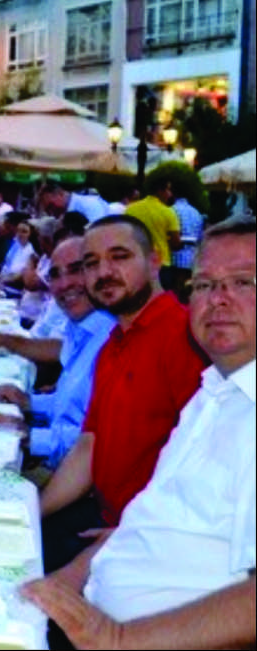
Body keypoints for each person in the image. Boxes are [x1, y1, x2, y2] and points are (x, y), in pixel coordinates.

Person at [21, 215, 256, 650]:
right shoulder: (213, 391)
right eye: (204, 285)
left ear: (155, 263)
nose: (218, 300)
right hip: (106, 570)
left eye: (243, 282)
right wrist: (56, 562)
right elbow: (107, 465)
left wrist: (114, 637)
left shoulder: (184, 348)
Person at [38, 214, 207, 573]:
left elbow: (204, 468)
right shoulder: (114, 343)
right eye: (91, 263)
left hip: (148, 541)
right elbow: (89, 446)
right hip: (102, 516)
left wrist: (135, 536)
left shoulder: (184, 338)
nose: (104, 272)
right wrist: (32, 511)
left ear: (154, 261)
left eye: (119, 256)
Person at [0, 237, 116, 471]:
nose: (64, 283)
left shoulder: (113, 339)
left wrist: (31, 437)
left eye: (76, 270)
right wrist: (29, 402)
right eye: (55, 275)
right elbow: (73, 406)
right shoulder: (80, 328)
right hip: (55, 462)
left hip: (73, 481)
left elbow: (96, 440)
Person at [125, 181, 182, 291]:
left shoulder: (131, 209)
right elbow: (176, 242)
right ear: (160, 191)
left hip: (135, 260)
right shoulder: (168, 212)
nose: (170, 194)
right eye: (168, 190)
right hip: (161, 263)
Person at [169, 189, 204, 303]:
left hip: (176, 255)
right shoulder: (196, 212)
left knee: (176, 289)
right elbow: (200, 235)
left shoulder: (172, 210)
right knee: (189, 288)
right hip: (193, 255)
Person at [40, 181, 110, 224]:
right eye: (47, 210)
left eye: (51, 206)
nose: (51, 213)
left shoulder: (88, 204)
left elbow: (99, 229)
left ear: (60, 194)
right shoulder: (64, 216)